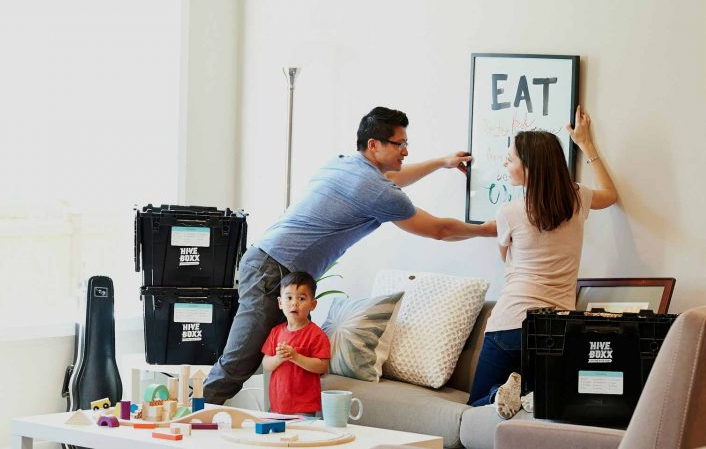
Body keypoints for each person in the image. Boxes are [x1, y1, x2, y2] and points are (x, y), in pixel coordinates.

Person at [204, 106, 497, 405]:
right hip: (274, 270)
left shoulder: (344, 163)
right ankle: (190, 423)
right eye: (400, 144)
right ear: (374, 145)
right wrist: (488, 229)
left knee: (286, 359)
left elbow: (394, 177)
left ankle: (279, 430)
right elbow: (439, 230)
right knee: (240, 360)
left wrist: (441, 162)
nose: (405, 151)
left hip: (270, 263)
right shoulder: (377, 191)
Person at [467, 106, 619, 419]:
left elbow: (507, 264)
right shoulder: (577, 198)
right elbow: (611, 195)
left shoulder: (509, 212)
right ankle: (526, 394)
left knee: (476, 405)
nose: (505, 163)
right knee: (542, 406)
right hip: (557, 327)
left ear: (530, 166)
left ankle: (504, 393)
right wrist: (586, 145)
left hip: (509, 323)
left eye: (510, 159)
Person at [261, 272, 331, 414]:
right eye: (289, 298)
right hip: (278, 403)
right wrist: (278, 358)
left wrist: (296, 357)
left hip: (304, 406)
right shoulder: (276, 332)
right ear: (280, 303)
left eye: (301, 298)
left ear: (313, 304)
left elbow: (322, 366)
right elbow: (266, 363)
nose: (294, 303)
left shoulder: (317, 335)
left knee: (303, 435)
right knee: (275, 436)